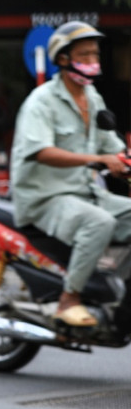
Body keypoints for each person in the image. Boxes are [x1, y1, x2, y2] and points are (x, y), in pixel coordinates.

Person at [11, 21, 131, 327]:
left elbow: (113, 148)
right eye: (85, 54)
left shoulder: (92, 98)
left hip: (84, 193)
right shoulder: (41, 101)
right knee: (99, 223)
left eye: (95, 55)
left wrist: (123, 162)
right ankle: (70, 300)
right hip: (44, 198)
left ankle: (111, 291)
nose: (94, 61)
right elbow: (41, 152)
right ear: (63, 59)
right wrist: (99, 159)